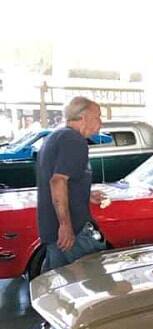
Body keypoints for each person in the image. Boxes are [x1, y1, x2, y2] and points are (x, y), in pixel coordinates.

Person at [36, 96, 107, 273]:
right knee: (95, 280)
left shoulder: (55, 137)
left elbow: (62, 180)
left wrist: (86, 195)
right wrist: (66, 226)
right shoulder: (74, 141)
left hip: (52, 230)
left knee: (61, 285)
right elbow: (57, 181)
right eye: (97, 116)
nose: (101, 123)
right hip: (73, 231)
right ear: (83, 117)